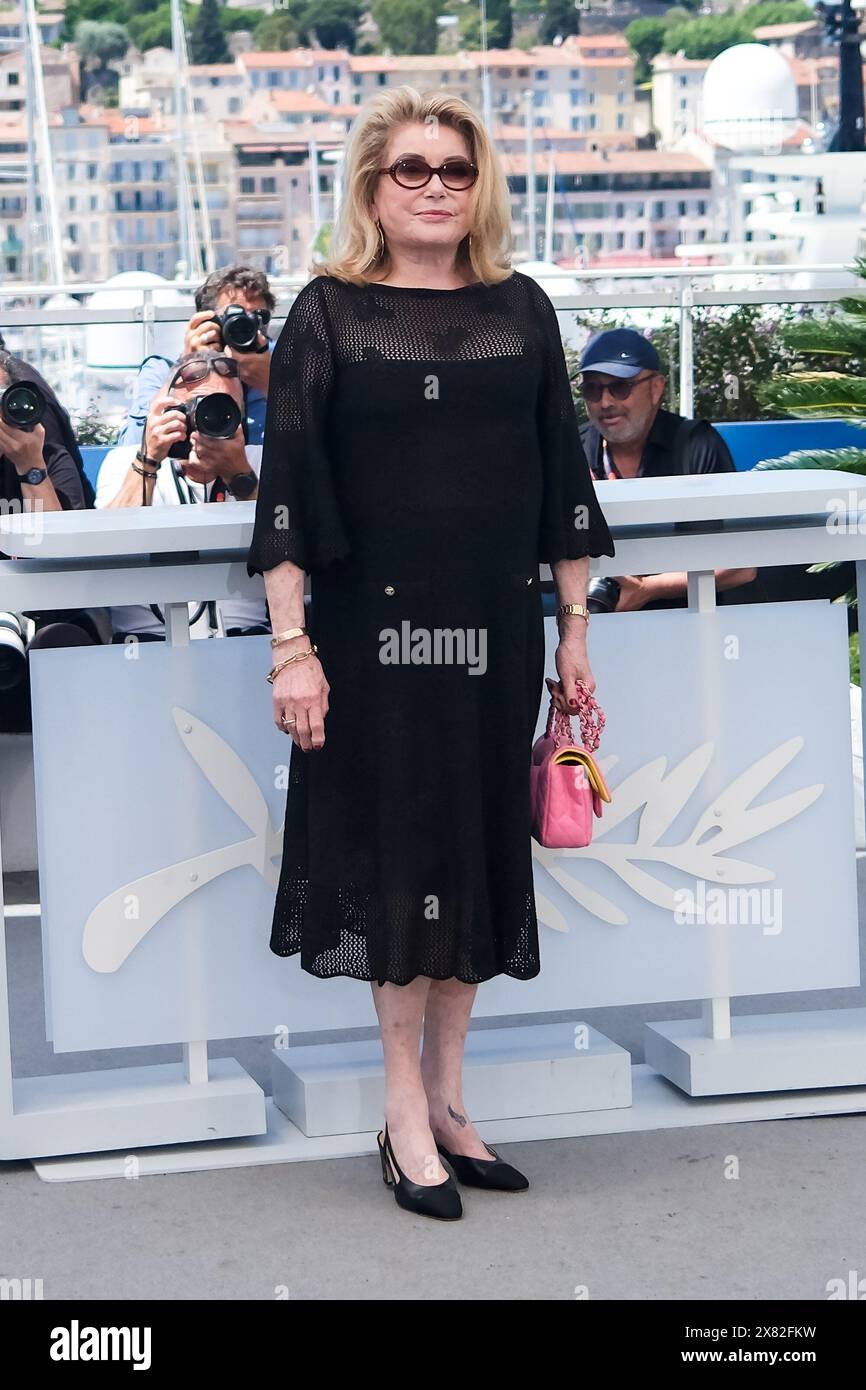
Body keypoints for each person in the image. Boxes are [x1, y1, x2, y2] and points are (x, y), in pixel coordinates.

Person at [246, 85, 615, 1220]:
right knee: (398, 864)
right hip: (368, 643)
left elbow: (564, 485)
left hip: (491, 641)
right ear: (372, 185)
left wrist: (573, 637)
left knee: (469, 855)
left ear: (479, 185)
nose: (435, 188)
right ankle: (401, 1109)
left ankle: (452, 1103)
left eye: (455, 170)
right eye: (411, 169)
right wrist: (290, 648)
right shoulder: (331, 313)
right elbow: (286, 498)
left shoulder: (519, 311)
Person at [577, 328, 758, 610]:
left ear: (656, 388)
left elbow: (741, 565)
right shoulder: (572, 453)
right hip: (593, 631)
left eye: (620, 387)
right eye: (592, 389)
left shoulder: (695, 445)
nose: (606, 402)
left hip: (688, 629)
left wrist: (650, 589)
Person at [97, 350, 269, 641]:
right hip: (148, 638)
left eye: (224, 410)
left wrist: (239, 475)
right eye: (196, 408)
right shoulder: (125, 462)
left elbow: (289, 541)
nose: (206, 421)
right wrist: (149, 459)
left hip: (246, 637)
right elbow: (107, 552)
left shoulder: (261, 461)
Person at [0, 352, 102, 733]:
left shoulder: (50, 460)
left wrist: (30, 468)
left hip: (43, 618)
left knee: (64, 640)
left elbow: (60, 563)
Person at [115, 266, 276, 448]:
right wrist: (186, 368)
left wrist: (271, 385)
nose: (246, 328)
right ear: (206, 321)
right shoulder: (162, 370)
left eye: (259, 317)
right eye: (233, 318)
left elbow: (313, 443)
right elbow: (131, 447)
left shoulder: (286, 364)